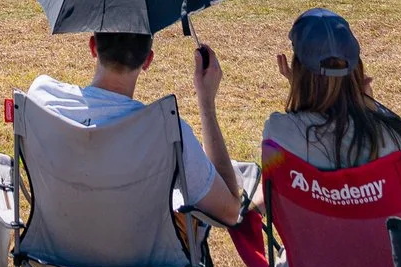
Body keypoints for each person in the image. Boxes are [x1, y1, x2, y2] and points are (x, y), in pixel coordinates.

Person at [21, 29, 242, 230]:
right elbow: (230, 212)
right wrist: (206, 102)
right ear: (148, 60)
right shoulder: (169, 132)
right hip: (143, 260)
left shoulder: (42, 96)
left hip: (54, 252)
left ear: (93, 47)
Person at [266, 7, 401, 201]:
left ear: (298, 70)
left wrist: (303, 92)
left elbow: (275, 192)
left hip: (312, 222)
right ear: (357, 71)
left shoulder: (278, 131)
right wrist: (371, 108)